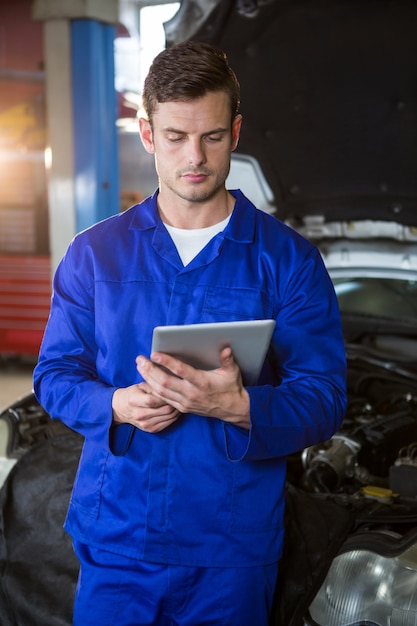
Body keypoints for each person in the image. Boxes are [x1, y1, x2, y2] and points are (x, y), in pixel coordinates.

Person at [33, 40, 347, 626]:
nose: (194, 158)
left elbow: (325, 398)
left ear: (236, 131)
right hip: (118, 542)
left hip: (231, 551)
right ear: (148, 133)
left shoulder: (288, 261)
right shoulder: (93, 254)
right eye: (175, 137)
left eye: (211, 136)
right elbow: (53, 375)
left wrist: (243, 406)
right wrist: (116, 404)